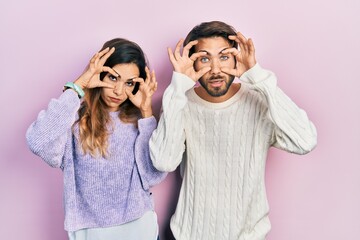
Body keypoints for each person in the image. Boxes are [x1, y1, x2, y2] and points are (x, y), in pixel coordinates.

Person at [149, 21, 317, 240]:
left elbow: (305, 141)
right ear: (192, 62)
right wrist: (178, 87)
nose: (216, 69)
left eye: (224, 56)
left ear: (237, 57)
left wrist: (257, 76)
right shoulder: (181, 102)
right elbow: (163, 162)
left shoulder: (259, 99)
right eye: (205, 58)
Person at [26, 38, 167, 240]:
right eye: (112, 78)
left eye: (129, 83)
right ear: (99, 72)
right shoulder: (74, 116)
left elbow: (153, 176)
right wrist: (77, 87)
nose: (119, 91)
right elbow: (38, 141)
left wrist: (146, 112)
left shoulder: (139, 121)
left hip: (139, 227)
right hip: (89, 230)